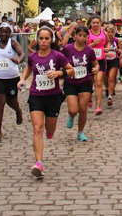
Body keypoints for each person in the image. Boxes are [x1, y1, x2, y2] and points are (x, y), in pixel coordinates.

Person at [19, 27, 74, 177]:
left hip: (53, 96)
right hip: (36, 95)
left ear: (51, 40)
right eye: (41, 38)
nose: (43, 41)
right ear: (37, 39)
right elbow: (29, 69)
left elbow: (71, 70)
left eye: (46, 38)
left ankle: (50, 132)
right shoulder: (33, 56)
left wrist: (58, 73)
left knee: (50, 129)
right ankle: (39, 163)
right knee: (37, 128)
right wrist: (23, 79)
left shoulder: (58, 56)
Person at [0, 23, 24, 143]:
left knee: (11, 100)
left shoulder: (13, 43)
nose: (3, 34)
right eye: (1, 32)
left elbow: (22, 54)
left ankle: (18, 110)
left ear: (10, 33)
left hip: (11, 77)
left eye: (6, 32)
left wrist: (18, 60)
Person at [62, 26, 98, 142]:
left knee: (83, 109)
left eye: (84, 36)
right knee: (73, 109)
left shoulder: (89, 50)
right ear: (75, 36)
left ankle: (80, 132)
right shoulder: (68, 49)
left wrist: (96, 69)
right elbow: (61, 62)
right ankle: (71, 115)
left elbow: (95, 63)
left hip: (84, 82)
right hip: (70, 82)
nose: (82, 38)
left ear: (87, 37)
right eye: (79, 35)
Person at [88, 16, 107, 115]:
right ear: (90, 23)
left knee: (98, 82)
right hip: (89, 61)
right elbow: (83, 46)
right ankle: (90, 100)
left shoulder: (104, 32)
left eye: (97, 23)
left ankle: (98, 106)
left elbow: (108, 43)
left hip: (101, 60)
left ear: (100, 23)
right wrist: (93, 43)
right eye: (93, 23)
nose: (95, 25)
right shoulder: (87, 33)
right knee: (90, 83)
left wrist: (106, 49)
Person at [102, 24, 120, 107]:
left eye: (111, 32)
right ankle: (107, 88)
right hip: (105, 60)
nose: (110, 33)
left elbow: (121, 50)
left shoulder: (116, 40)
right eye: (108, 32)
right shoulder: (102, 40)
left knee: (111, 78)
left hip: (114, 60)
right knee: (105, 78)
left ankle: (110, 97)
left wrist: (119, 51)